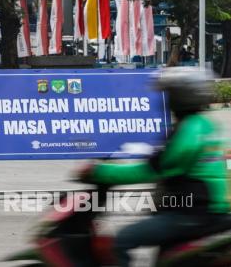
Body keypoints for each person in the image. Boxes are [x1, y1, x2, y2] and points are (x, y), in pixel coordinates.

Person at [81, 67, 230, 267]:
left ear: (180, 97)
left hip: (189, 214)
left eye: (170, 94)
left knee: (120, 241)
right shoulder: (205, 124)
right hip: (204, 210)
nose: (166, 100)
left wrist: (100, 172)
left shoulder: (189, 130)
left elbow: (154, 169)